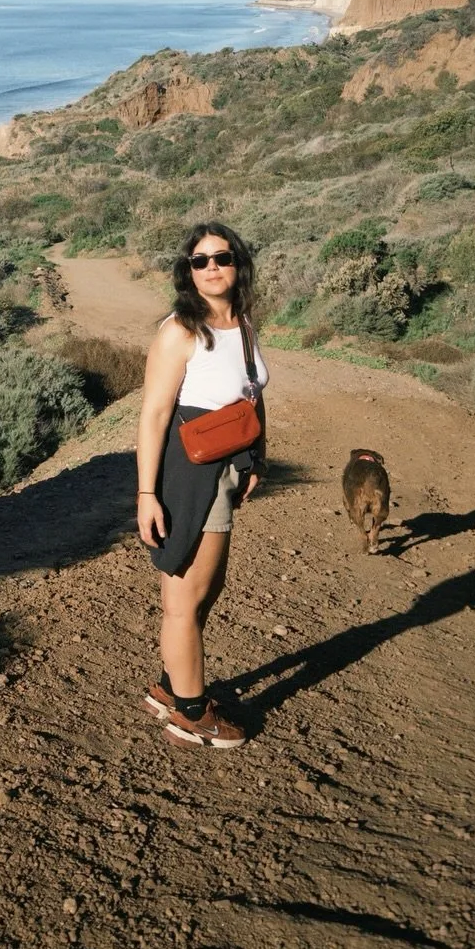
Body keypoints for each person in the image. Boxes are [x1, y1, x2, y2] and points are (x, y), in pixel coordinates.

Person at [136, 221, 267, 748]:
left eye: (223, 257)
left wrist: (258, 458)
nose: (213, 266)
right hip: (192, 473)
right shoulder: (180, 331)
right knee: (185, 598)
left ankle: (172, 686)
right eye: (201, 260)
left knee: (205, 589)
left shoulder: (243, 323)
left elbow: (251, 394)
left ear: (238, 265)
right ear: (187, 272)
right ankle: (191, 711)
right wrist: (147, 494)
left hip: (230, 464)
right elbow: (154, 415)